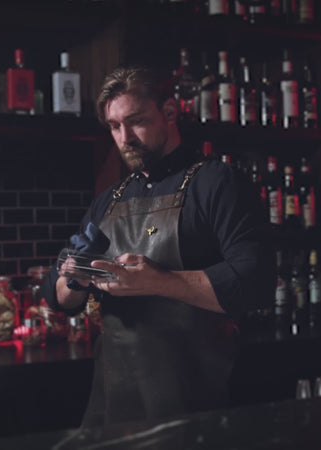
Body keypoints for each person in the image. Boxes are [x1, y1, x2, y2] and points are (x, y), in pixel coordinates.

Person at [42, 64, 272, 427]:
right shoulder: (108, 201)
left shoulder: (216, 183)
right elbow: (57, 298)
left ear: (168, 112)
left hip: (199, 402)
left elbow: (254, 283)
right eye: (115, 127)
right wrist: (75, 278)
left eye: (135, 121)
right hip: (115, 403)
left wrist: (159, 281)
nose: (125, 137)